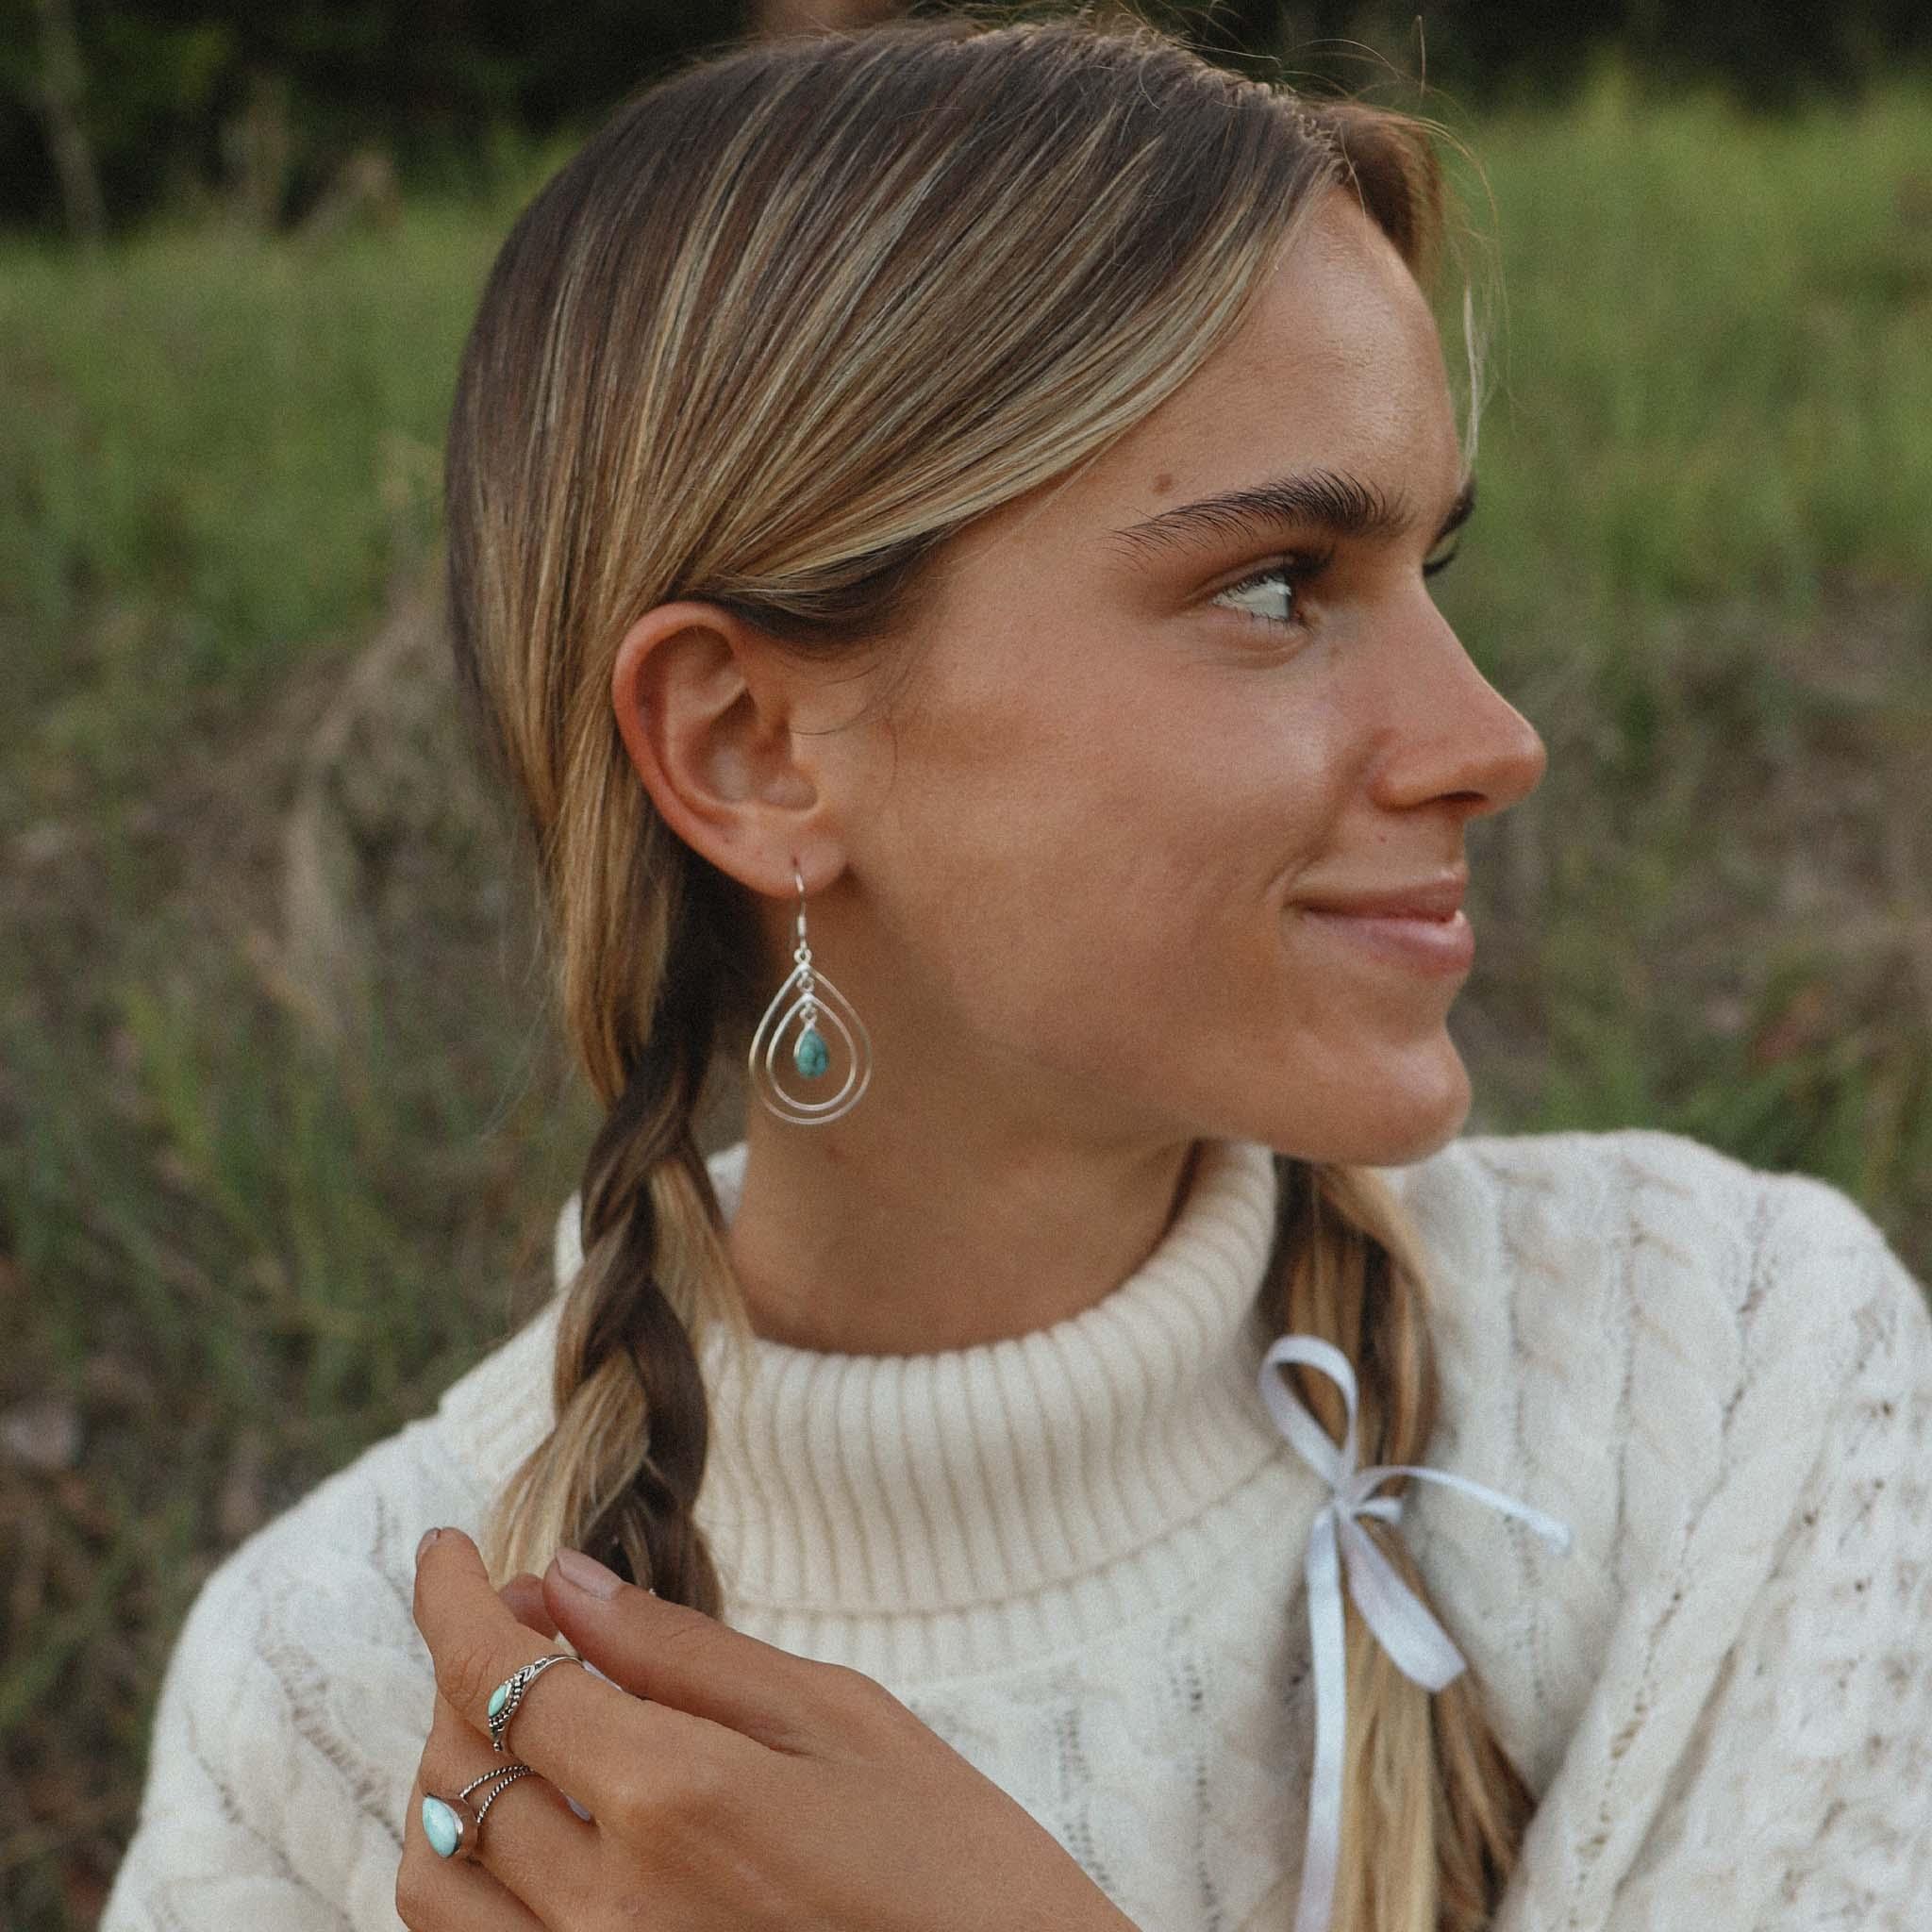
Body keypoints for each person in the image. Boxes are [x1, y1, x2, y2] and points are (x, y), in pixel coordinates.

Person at [103, 15, 1932, 1932]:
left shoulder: (1720, 1377)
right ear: (748, 749)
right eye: (1276, 584)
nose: (1490, 735)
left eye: (1428, 577)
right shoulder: (344, 1711)